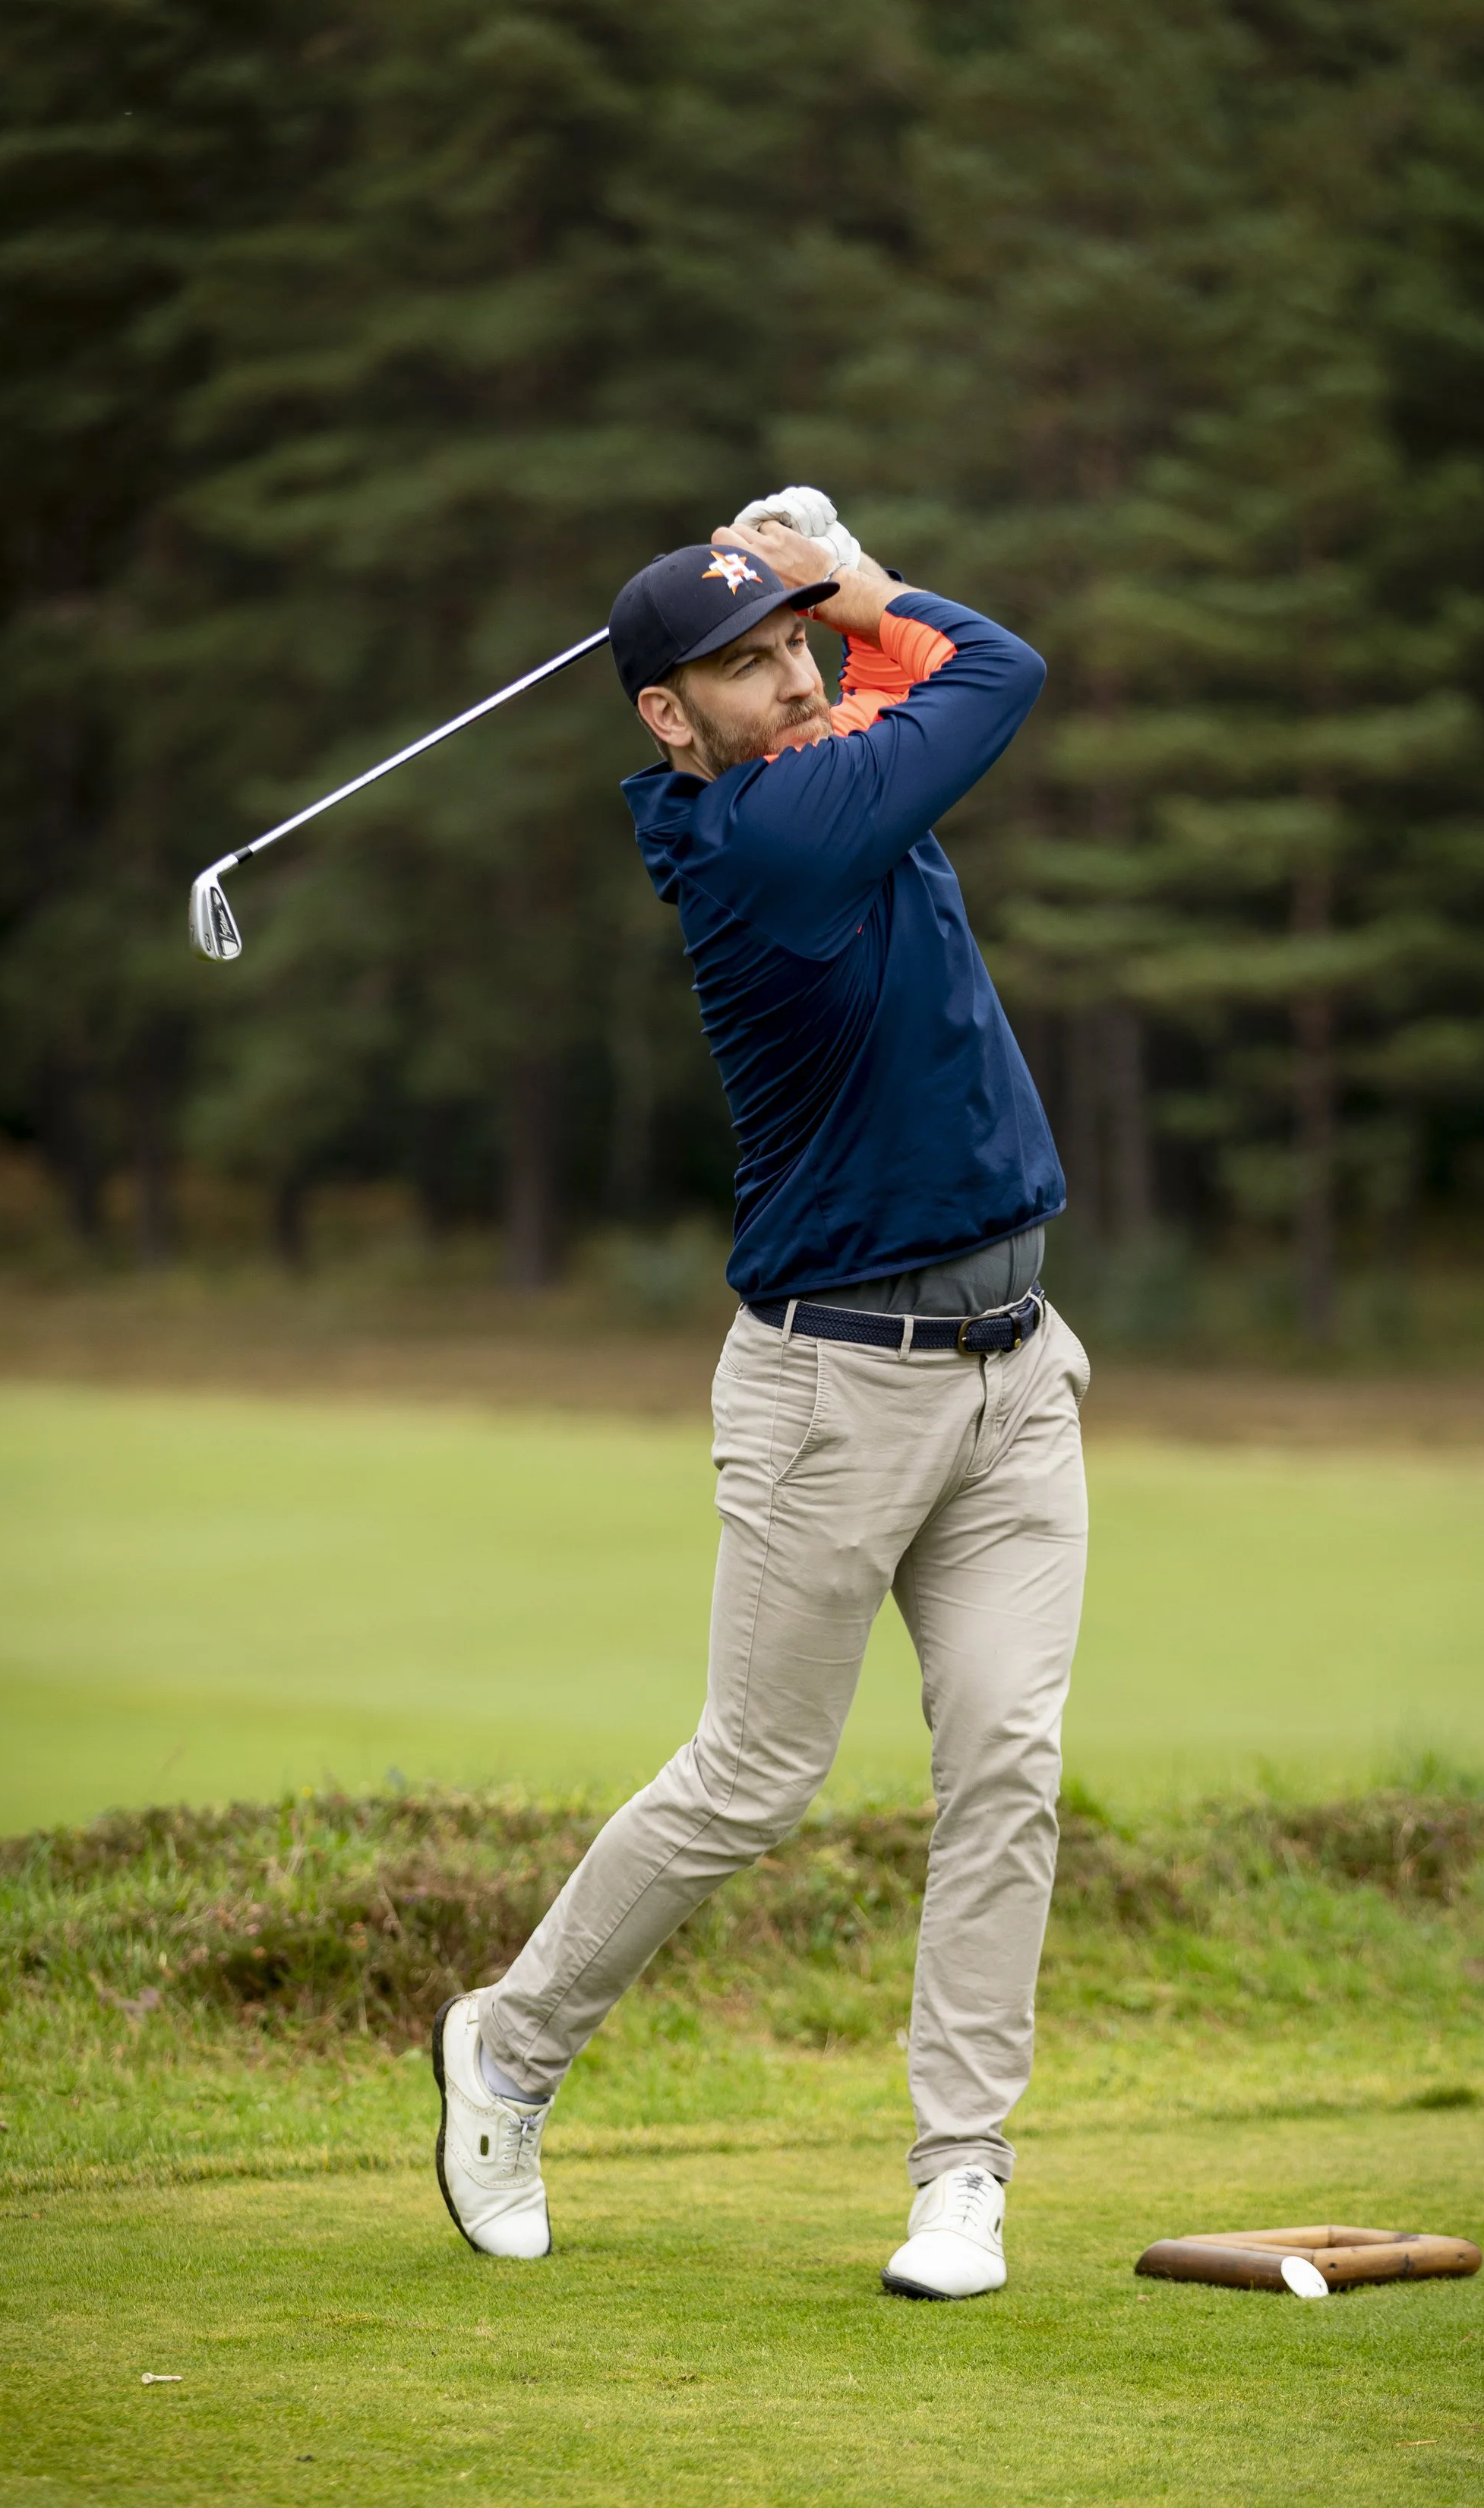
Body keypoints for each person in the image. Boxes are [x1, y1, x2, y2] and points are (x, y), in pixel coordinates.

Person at [433, 492, 1088, 2299]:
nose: (791, 674)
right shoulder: (769, 838)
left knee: (1007, 1772)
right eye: (744, 661)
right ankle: (507, 2049)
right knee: (751, 1777)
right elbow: (995, 669)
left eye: (797, 640)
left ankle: (962, 2179)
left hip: (1016, 1370)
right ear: (666, 716)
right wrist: (859, 565)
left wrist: (823, 581)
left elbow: (911, 689)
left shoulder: (814, 759)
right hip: (831, 1390)